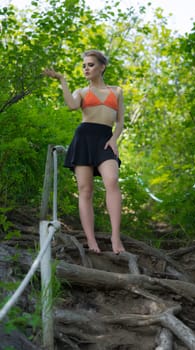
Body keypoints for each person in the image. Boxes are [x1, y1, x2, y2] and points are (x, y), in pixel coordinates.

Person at [44, 50, 125, 254]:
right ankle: (92, 241)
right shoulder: (81, 92)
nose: (86, 68)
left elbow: (120, 121)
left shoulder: (116, 91)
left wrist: (114, 140)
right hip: (84, 139)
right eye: (84, 65)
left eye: (90, 65)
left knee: (112, 180)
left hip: (105, 140)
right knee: (85, 190)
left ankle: (116, 238)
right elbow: (71, 106)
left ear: (102, 67)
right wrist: (62, 79)